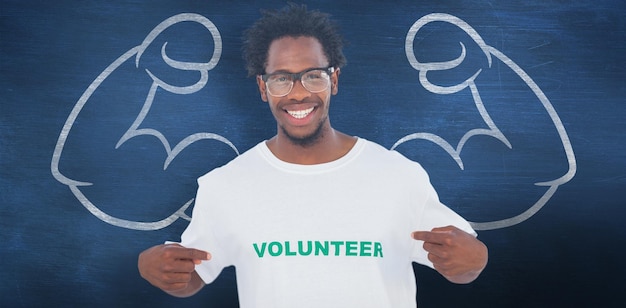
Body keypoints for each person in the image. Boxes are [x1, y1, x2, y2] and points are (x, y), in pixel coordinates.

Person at [138, 4, 488, 307]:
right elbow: (193, 276)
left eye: (313, 76)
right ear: (263, 88)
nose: (298, 93)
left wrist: (476, 260)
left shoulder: (400, 175)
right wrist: (155, 269)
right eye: (281, 80)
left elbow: (459, 267)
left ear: (334, 80)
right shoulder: (224, 185)